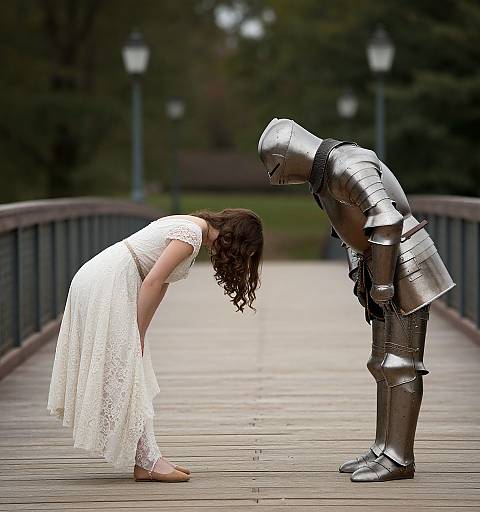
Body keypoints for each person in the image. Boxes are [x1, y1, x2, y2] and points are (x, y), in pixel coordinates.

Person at [257, 118, 455, 482]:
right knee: (382, 363)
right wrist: (366, 280)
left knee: (401, 364)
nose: (275, 178)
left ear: (289, 155)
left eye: (276, 168)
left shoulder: (348, 163)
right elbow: (351, 232)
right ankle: (383, 448)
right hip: (382, 266)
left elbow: (386, 219)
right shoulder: (325, 175)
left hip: (403, 265)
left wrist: (381, 285)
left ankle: (399, 457)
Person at [47, 208, 263, 483]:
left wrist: (141, 332)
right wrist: (136, 333)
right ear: (235, 238)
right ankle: (147, 462)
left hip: (103, 279)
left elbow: (161, 284)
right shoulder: (192, 235)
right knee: (129, 372)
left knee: (133, 370)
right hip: (106, 283)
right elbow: (152, 281)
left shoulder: (191, 226)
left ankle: (149, 457)